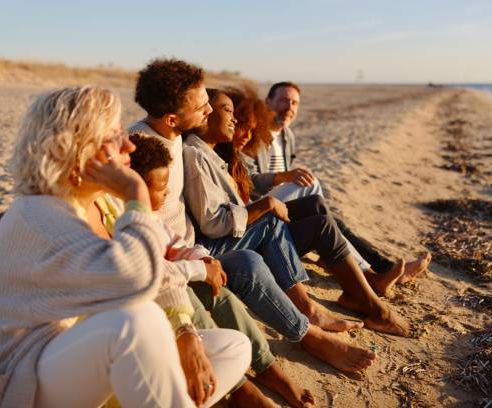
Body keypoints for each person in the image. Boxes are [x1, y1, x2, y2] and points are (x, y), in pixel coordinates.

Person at [0, 86, 250, 408]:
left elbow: (155, 268)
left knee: (231, 347)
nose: (128, 144)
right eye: (113, 136)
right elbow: (139, 280)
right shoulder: (40, 215)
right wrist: (136, 193)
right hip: (23, 378)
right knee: (135, 321)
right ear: (75, 149)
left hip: (81, 358)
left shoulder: (101, 203)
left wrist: (185, 333)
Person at [129, 58, 376, 374]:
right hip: (177, 256)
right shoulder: (146, 152)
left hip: (191, 246)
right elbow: (145, 227)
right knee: (251, 259)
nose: (208, 112)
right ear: (174, 117)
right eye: (203, 106)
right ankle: (309, 332)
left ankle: (316, 311)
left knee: (298, 215)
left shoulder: (174, 134)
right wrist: (197, 260)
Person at [184, 88, 412, 338]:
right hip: (222, 246)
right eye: (228, 111)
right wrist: (264, 205)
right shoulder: (196, 156)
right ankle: (321, 307)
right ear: (204, 114)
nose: (236, 121)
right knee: (277, 217)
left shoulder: (216, 155)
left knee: (319, 213)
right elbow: (213, 224)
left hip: (240, 235)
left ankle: (364, 290)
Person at [124, 133, 315, 407]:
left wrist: (204, 260)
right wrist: (199, 269)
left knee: (220, 295)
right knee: (193, 300)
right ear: (136, 187)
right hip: (146, 304)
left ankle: (267, 367)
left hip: (181, 273)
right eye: (161, 187)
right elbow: (154, 272)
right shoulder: (127, 220)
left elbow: (174, 243)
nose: (166, 193)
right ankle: (241, 388)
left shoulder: (149, 216)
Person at [238, 83, 432, 286]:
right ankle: (372, 271)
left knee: (330, 219)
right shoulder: (252, 133)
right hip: (258, 208)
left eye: (294, 103)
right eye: (283, 101)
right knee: (310, 187)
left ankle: (383, 268)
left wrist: (287, 180)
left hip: (282, 205)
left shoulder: (287, 136)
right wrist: (281, 177)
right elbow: (247, 182)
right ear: (267, 102)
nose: (289, 107)